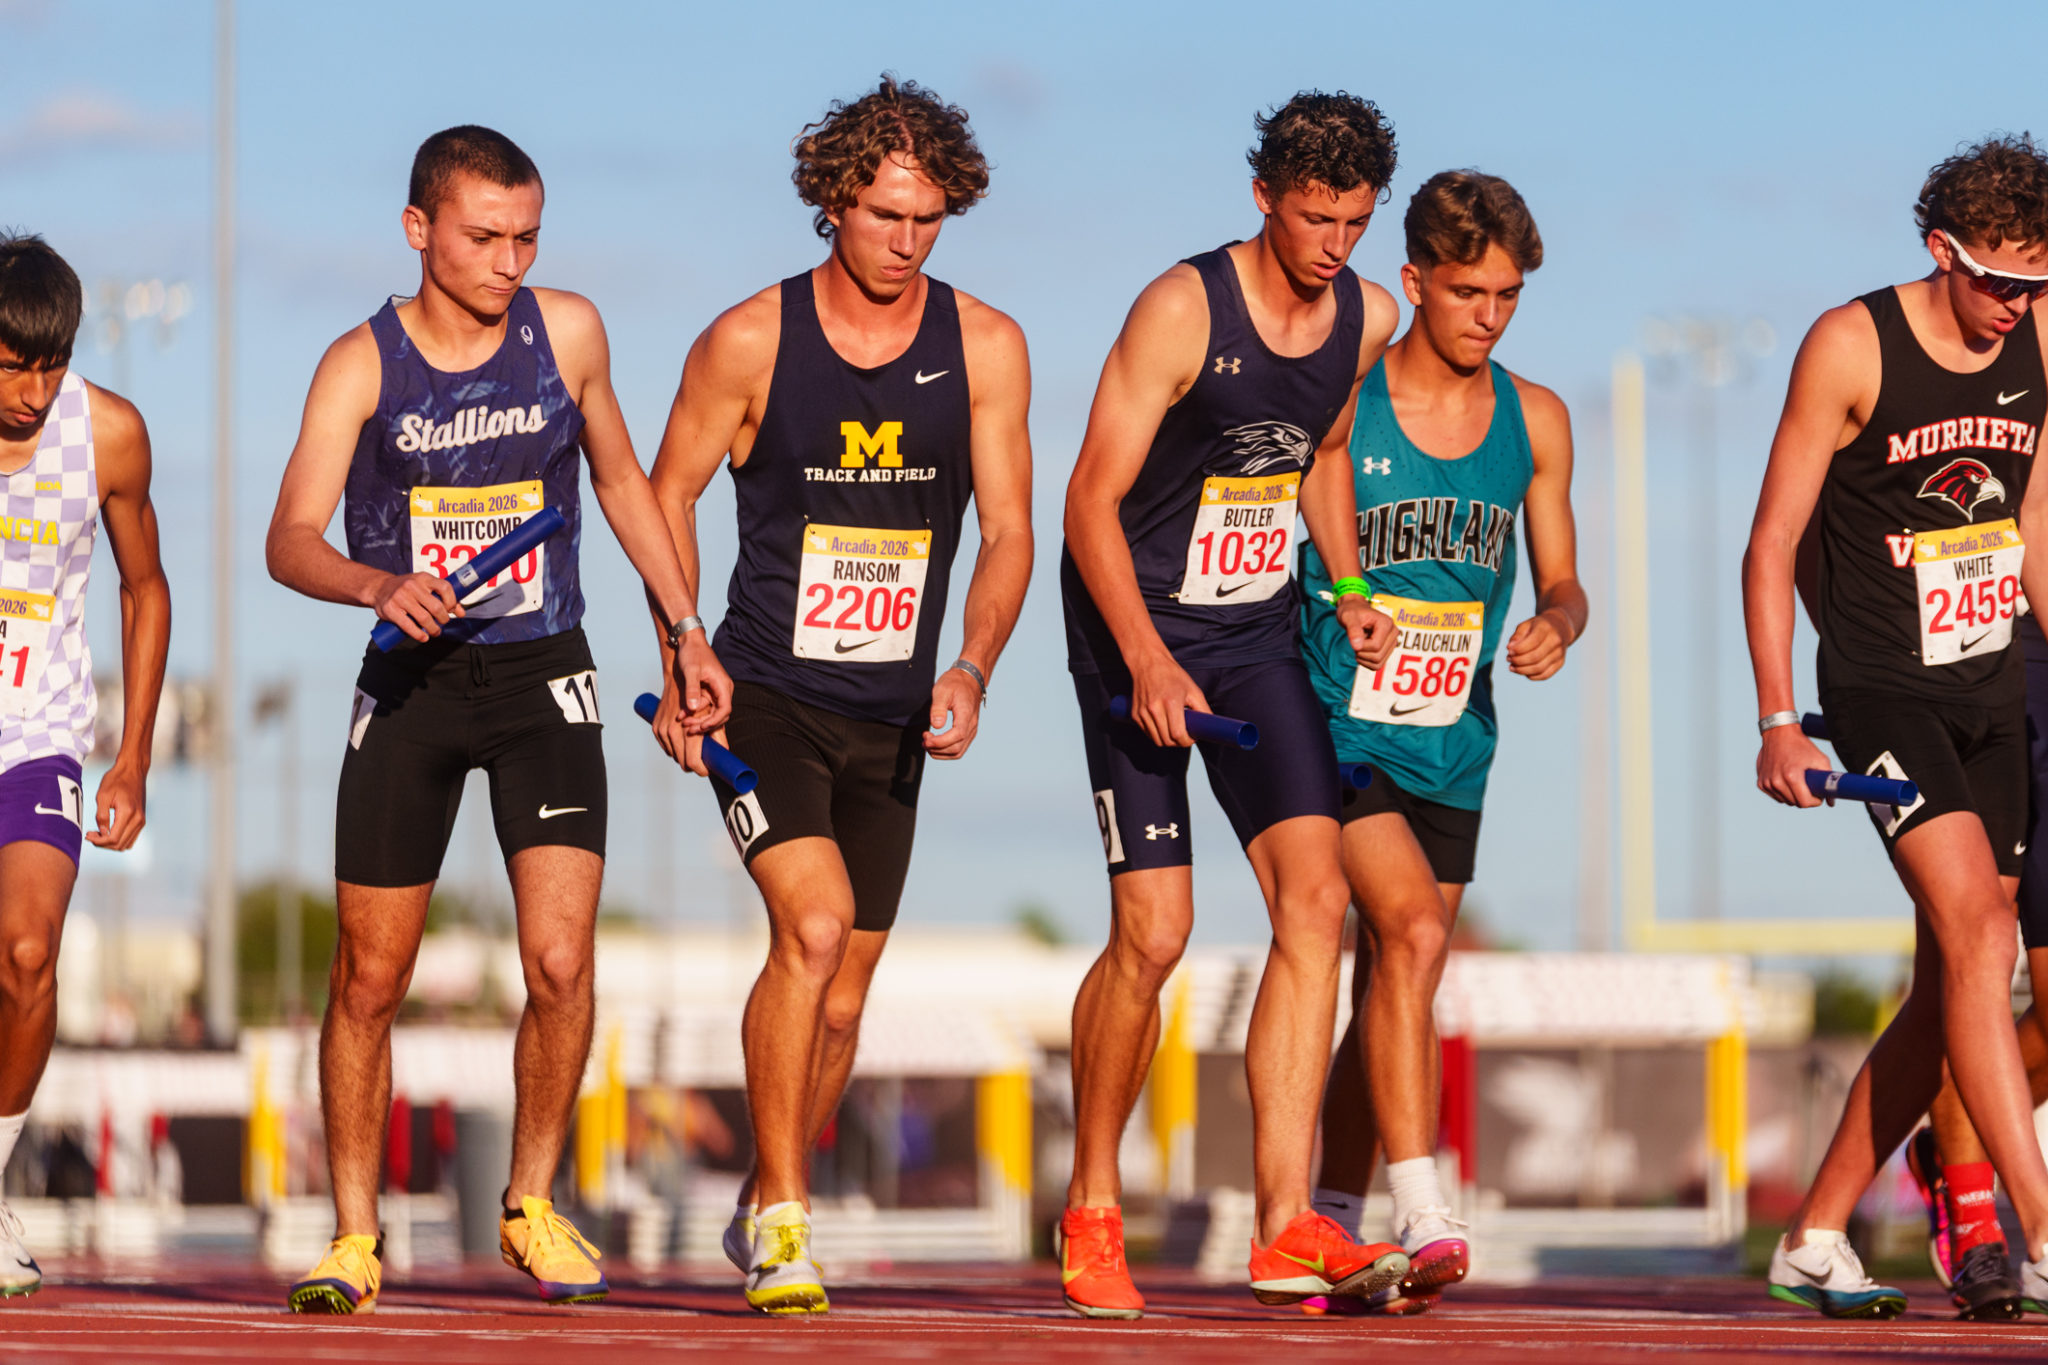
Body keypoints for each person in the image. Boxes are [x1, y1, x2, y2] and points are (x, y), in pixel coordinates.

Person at [267, 126, 728, 1313]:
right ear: (418, 230)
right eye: (483, 238)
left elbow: (621, 483)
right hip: (411, 684)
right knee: (370, 977)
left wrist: (684, 629)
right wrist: (377, 584)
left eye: (526, 238)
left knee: (562, 961)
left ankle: (530, 1203)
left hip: (541, 677)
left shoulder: (566, 332)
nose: (509, 262)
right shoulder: (358, 364)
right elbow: (289, 539)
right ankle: (354, 1235)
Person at [645, 76, 1032, 1315]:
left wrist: (972, 664)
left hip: (894, 713)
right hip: (765, 692)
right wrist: (682, 645)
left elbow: (1008, 532)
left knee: (846, 993)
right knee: (810, 931)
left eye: (927, 221)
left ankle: (767, 1189)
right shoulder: (749, 341)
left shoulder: (984, 347)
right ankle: (783, 1218)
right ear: (830, 202)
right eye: (882, 216)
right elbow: (663, 494)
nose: (905, 243)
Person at [1058, 91, 1407, 1318]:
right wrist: (1146, 658)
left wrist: (1348, 585)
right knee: (1154, 932)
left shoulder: (1368, 315)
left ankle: (1281, 1225)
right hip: (1133, 622)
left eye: (1355, 222)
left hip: (1254, 629)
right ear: (1264, 197)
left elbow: (1321, 455)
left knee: (1318, 904)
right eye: (1315, 219)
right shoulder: (1180, 308)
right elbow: (1086, 501)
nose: (1334, 246)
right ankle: (1092, 1201)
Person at [1744, 133, 2048, 1320]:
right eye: (1998, 281)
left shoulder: (2036, 337)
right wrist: (1779, 719)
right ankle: (2040, 1227)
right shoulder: (1849, 343)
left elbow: (2029, 527)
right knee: (1981, 937)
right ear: (1941, 251)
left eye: (2036, 283)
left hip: (1988, 693)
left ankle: (1814, 1236)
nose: (2013, 305)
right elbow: (1770, 544)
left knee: (1948, 984)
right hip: (1881, 690)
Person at [1299, 171, 1585, 1315]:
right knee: (1413, 932)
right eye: (1468, 292)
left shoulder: (1536, 418)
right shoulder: (1345, 399)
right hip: (1334, 718)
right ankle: (1422, 1209)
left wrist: (1555, 625)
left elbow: (1563, 579)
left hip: (1454, 738)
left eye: (1507, 296)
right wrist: (1341, 601)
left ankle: (1330, 1220)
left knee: (1395, 982)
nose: (1488, 316)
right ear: (1412, 281)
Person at [0, 232, 172, 1299]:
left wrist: (134, 756)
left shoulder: (107, 432)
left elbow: (145, 587)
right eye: (13, 366)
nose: (34, 391)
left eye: (52, 365)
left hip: (39, 733)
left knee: (27, 953)